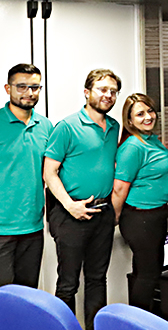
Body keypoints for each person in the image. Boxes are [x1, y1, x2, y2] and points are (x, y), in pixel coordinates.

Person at [42, 69, 121, 330]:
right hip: (70, 214)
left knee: (98, 279)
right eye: (102, 89)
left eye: (112, 91)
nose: (108, 95)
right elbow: (49, 172)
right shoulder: (67, 126)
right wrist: (69, 205)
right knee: (68, 283)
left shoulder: (114, 127)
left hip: (103, 212)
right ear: (87, 93)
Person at [111, 93, 168, 312]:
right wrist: (115, 219)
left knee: (145, 272)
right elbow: (119, 188)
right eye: (140, 114)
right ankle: (136, 323)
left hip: (155, 216)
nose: (148, 117)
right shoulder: (132, 148)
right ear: (130, 121)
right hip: (140, 219)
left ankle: (139, 320)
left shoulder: (151, 141)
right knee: (148, 274)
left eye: (149, 111)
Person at [0, 64, 52, 288]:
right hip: (1, 228)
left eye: (35, 87)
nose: (29, 93)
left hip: (32, 226)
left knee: (27, 297)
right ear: (7, 88)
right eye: (21, 86)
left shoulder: (46, 126)